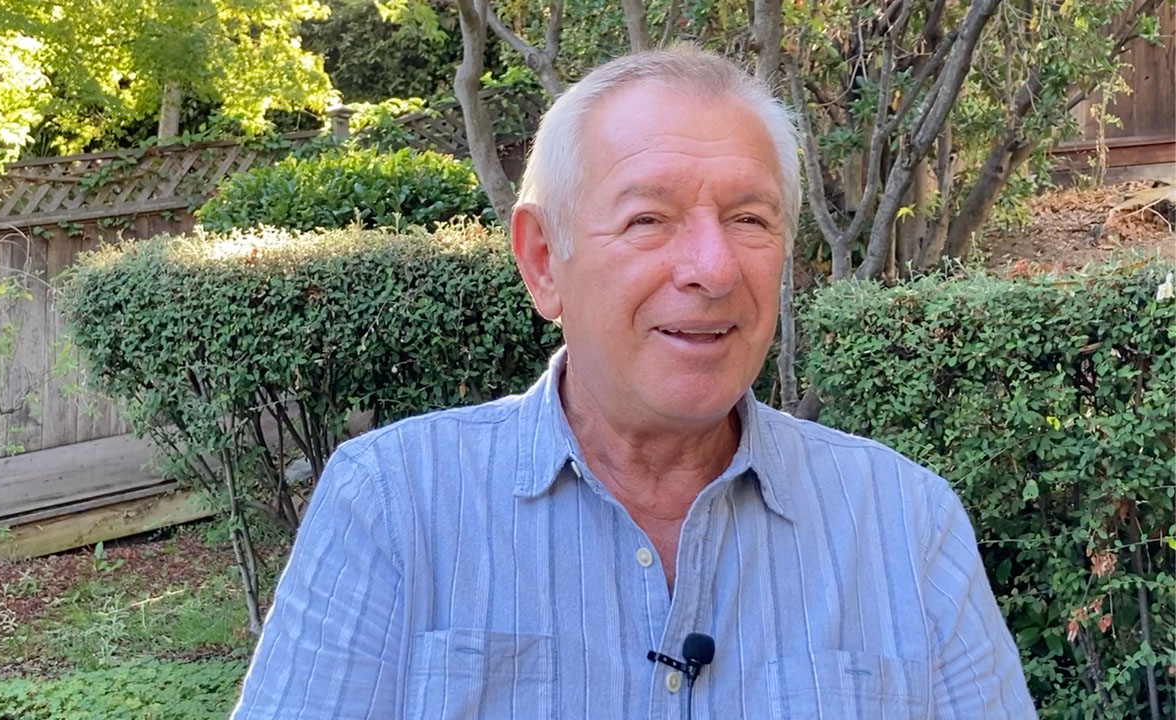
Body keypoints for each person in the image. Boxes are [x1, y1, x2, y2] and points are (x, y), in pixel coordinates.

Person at [231, 47, 1036, 719]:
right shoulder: (393, 507)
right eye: (648, 219)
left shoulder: (905, 524)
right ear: (544, 261)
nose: (714, 269)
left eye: (750, 219)